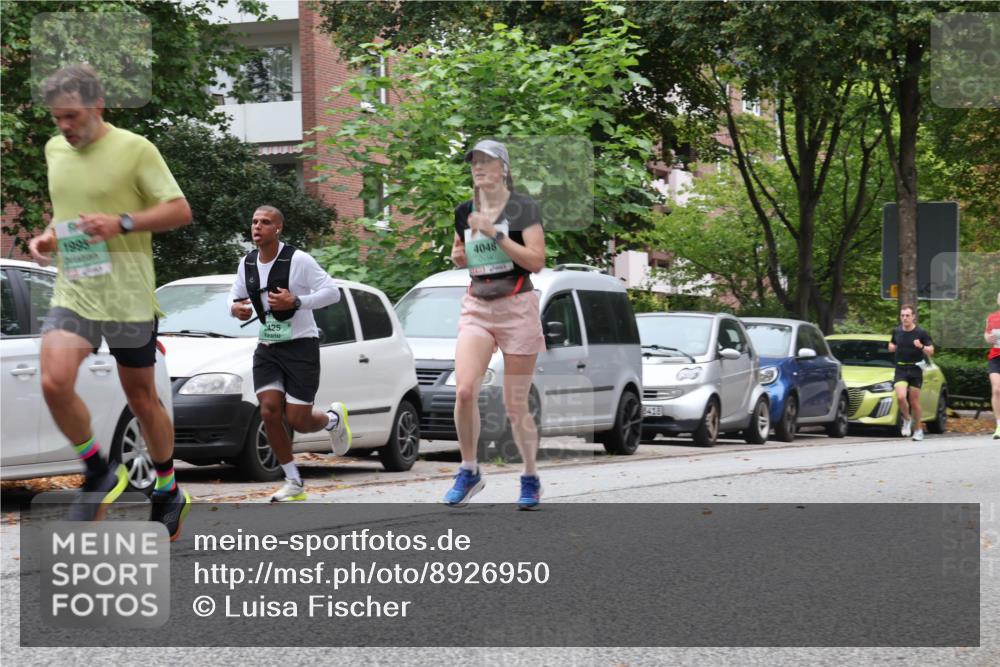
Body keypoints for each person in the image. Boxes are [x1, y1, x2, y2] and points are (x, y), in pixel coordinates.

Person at [27, 64, 192, 537]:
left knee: (141, 399)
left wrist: (120, 223)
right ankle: (99, 469)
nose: (64, 127)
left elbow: (179, 210)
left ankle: (167, 486)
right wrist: (46, 238)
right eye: (58, 117)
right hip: (75, 290)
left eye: (72, 116)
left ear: (98, 106)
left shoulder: (135, 149)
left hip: (127, 295)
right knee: (54, 381)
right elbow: (65, 216)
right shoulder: (54, 149)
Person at [443, 139, 546, 510]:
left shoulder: (522, 208)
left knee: (515, 402)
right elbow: (460, 253)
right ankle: (469, 469)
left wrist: (495, 234)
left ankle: (530, 477)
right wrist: (458, 253)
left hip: (517, 307)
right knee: (465, 390)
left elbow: (536, 261)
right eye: (474, 162)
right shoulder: (464, 210)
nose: (479, 167)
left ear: (503, 168)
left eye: (487, 161)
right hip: (477, 306)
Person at [229, 205, 350, 502]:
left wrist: (297, 302)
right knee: (269, 410)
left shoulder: (298, 260)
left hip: (300, 345)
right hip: (267, 347)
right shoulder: (246, 264)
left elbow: (332, 292)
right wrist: (236, 308)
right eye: (254, 221)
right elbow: (234, 300)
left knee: (298, 420)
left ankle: (333, 419)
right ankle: (293, 481)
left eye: (265, 222)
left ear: (278, 228)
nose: (258, 226)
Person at [888, 304, 936, 441]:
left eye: (907, 315)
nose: (904, 318)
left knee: (914, 402)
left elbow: (931, 351)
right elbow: (891, 345)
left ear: (913, 317)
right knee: (901, 397)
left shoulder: (921, 333)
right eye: (902, 315)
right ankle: (907, 419)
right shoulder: (896, 331)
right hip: (901, 369)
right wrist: (891, 347)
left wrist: (921, 346)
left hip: (915, 369)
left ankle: (919, 429)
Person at [984, 291, 1000, 440]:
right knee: (996, 389)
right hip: (996, 357)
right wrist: (989, 338)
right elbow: (986, 335)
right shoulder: (992, 317)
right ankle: (999, 425)